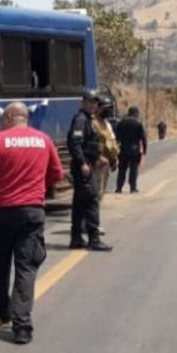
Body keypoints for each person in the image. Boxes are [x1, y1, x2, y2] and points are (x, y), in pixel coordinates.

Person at [0, 102, 64, 344]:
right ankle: (22, 326)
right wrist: (37, 184)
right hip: (31, 212)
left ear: (12, 116)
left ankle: (3, 311)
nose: (1, 122)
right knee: (26, 266)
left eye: (3, 118)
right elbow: (57, 174)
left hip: (0, 211)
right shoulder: (43, 140)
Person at [68, 90, 112, 251]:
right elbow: (75, 143)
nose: (94, 105)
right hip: (84, 167)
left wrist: (97, 157)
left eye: (95, 102)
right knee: (92, 200)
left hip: (88, 163)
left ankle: (76, 238)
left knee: (79, 203)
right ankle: (94, 239)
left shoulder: (87, 119)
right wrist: (82, 163)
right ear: (83, 102)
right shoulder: (80, 120)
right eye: (90, 102)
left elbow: (88, 145)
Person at [114, 106, 148, 193]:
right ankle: (133, 188)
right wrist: (144, 150)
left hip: (123, 149)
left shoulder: (121, 122)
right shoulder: (138, 123)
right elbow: (143, 138)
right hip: (134, 150)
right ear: (136, 113)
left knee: (122, 169)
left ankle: (119, 187)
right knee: (133, 169)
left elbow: (116, 137)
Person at [93, 99, 119, 204]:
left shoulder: (106, 123)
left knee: (101, 190)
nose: (107, 111)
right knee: (96, 190)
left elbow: (111, 141)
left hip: (106, 162)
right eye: (105, 108)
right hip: (97, 162)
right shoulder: (93, 123)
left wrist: (114, 157)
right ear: (98, 108)